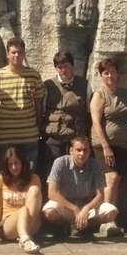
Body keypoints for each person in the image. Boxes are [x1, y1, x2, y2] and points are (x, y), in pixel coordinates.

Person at [0, 38, 45, 171]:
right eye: (13, 52)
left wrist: (38, 128)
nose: (16, 55)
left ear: (24, 54)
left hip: (29, 136)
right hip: (3, 137)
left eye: (19, 52)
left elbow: (39, 105)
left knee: (29, 174)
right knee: (3, 175)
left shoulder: (33, 75)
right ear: (7, 54)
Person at [43, 135, 119, 238]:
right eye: (78, 150)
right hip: (66, 205)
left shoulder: (96, 165)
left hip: (87, 205)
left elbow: (101, 195)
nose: (82, 154)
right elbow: (52, 193)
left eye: (85, 150)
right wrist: (74, 208)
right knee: (49, 211)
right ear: (71, 150)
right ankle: (63, 226)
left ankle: (83, 226)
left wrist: (86, 208)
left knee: (111, 212)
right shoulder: (60, 163)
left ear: (89, 151)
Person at [88, 57, 127, 236]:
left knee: (117, 181)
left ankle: (111, 218)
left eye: (112, 72)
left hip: (122, 144)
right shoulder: (99, 95)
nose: (110, 75)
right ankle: (105, 219)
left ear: (118, 73)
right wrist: (106, 147)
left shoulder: (124, 93)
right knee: (110, 179)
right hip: (103, 145)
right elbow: (96, 123)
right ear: (101, 75)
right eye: (106, 73)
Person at [41, 51, 92, 183]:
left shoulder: (85, 85)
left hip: (76, 138)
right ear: (56, 68)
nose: (63, 70)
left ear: (72, 66)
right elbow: (41, 110)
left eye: (66, 66)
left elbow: (89, 112)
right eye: (60, 67)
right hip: (54, 138)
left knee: (77, 175)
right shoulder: (47, 86)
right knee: (52, 175)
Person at [0, 147, 44, 254]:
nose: (14, 167)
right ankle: (26, 240)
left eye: (16, 163)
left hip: (31, 221)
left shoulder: (34, 179)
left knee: (34, 190)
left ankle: (25, 235)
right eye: (10, 164)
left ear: (23, 163)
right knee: (23, 210)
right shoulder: (1, 179)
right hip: (9, 223)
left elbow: (37, 204)